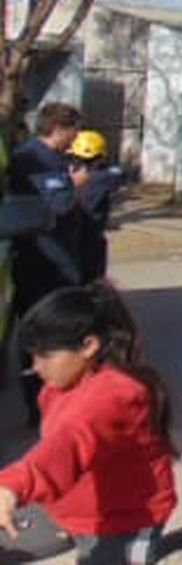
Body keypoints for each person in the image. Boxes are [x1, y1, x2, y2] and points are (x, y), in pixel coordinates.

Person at [0, 283, 176, 564]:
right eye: (33, 356)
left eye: (45, 356)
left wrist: (11, 485)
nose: (36, 366)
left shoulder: (114, 395)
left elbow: (68, 443)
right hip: (72, 507)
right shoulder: (59, 385)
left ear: (88, 346)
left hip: (123, 520)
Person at [9, 102, 89, 425]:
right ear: (59, 127)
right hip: (43, 263)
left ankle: (54, 402)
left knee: (57, 331)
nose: (76, 138)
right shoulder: (32, 160)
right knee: (44, 334)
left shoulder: (52, 159)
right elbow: (57, 206)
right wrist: (76, 185)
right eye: (74, 131)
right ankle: (40, 406)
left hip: (60, 260)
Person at [67, 132, 126, 284]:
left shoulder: (68, 174)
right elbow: (119, 174)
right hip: (92, 236)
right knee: (93, 281)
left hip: (69, 236)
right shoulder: (103, 177)